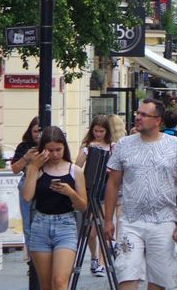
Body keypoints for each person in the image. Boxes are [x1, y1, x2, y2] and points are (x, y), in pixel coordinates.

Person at [104, 98, 177, 290]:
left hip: (163, 221)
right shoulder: (123, 145)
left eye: (144, 114)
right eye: (138, 113)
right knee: (126, 274)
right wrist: (108, 220)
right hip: (130, 221)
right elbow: (113, 184)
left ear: (158, 120)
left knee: (159, 280)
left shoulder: (176, 146)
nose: (138, 117)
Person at [22, 126, 89, 290]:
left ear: (64, 147)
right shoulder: (38, 169)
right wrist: (33, 167)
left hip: (65, 225)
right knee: (45, 285)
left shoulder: (75, 171)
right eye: (49, 150)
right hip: (40, 225)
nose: (54, 154)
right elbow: (27, 197)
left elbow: (83, 206)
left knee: (59, 282)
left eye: (58, 149)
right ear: (43, 150)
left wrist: (70, 193)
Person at [75, 115, 114, 277]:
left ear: (107, 131)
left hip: (105, 188)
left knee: (104, 225)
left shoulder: (112, 147)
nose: (98, 134)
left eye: (101, 131)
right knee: (91, 230)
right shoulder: (87, 145)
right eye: (96, 131)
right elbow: (77, 166)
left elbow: (116, 169)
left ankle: (102, 263)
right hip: (90, 188)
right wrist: (87, 151)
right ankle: (94, 258)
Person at [10, 117, 41, 256]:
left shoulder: (50, 146)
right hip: (26, 182)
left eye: (40, 131)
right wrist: (26, 157)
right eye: (35, 131)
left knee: (40, 222)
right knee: (28, 225)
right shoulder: (24, 146)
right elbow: (15, 169)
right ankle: (31, 259)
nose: (37, 135)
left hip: (43, 184)